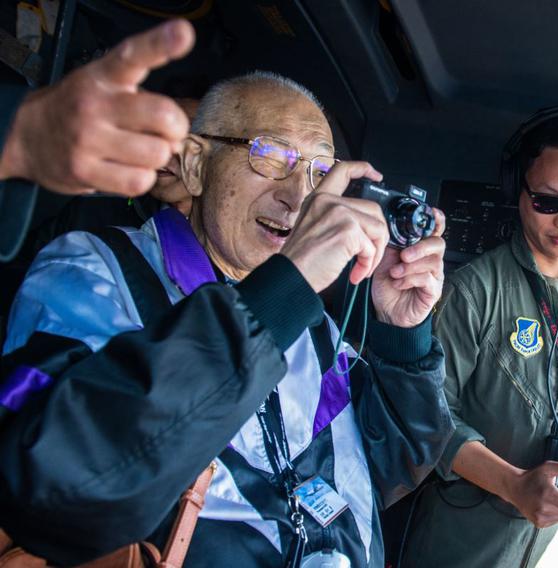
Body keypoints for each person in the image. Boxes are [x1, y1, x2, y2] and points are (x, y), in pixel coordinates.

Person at [0, 70, 452, 566]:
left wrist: (402, 333)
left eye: (320, 173)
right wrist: (279, 298)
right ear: (195, 165)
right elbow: (59, 489)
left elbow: (387, 464)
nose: (298, 197)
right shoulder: (95, 272)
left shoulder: (312, 322)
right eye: (270, 156)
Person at [400, 108, 558, 567]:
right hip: (465, 535)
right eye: (548, 202)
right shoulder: (473, 291)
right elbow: (430, 415)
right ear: (519, 189)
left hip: (549, 536)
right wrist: (514, 485)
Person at [0, 19, 195, 262]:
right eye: (161, 131)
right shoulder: (87, 200)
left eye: (193, 142)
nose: (169, 149)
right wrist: (19, 137)